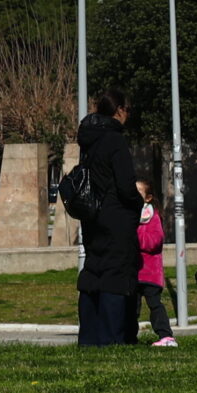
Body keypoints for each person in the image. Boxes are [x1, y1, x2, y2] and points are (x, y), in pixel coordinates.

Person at [73, 91, 142, 346]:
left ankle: (89, 337)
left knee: (93, 271)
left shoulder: (88, 140)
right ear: (120, 110)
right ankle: (112, 338)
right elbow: (125, 185)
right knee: (115, 275)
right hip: (116, 216)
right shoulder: (115, 140)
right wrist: (137, 205)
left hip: (92, 216)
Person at [133, 178, 176, 346]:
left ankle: (166, 336)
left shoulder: (152, 216)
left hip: (150, 273)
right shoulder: (130, 215)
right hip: (134, 272)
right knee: (131, 309)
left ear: (148, 197)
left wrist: (135, 235)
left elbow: (154, 241)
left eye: (138, 192)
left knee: (155, 305)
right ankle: (129, 337)